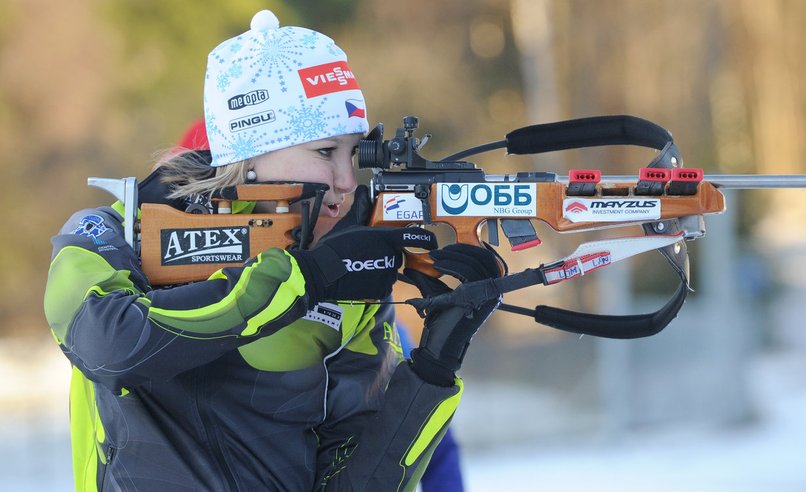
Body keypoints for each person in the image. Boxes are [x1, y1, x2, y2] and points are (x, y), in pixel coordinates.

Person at [44, 10, 501, 491]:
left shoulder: (347, 282)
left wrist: (432, 368)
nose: (347, 181)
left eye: (354, 154)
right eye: (326, 152)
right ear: (250, 154)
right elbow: (108, 345)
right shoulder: (108, 235)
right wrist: (302, 280)